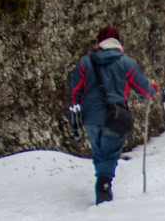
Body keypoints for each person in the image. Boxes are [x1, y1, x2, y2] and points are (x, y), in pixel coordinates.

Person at [67, 26, 158, 204]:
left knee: (100, 153)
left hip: (91, 117)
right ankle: (103, 187)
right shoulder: (126, 63)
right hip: (115, 117)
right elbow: (144, 91)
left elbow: (74, 92)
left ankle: (102, 181)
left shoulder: (85, 63)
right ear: (118, 41)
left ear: (99, 42)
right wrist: (152, 89)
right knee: (109, 154)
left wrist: (74, 113)